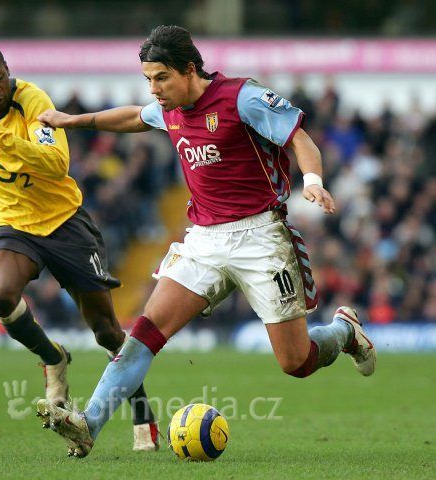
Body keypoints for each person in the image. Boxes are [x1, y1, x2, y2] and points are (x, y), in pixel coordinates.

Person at [35, 26, 377, 458]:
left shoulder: (242, 98)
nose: (154, 89)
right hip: (204, 240)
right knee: (144, 333)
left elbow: (300, 139)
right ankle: (89, 424)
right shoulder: (168, 107)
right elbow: (133, 117)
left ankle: (344, 332)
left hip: (262, 237)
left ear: (189, 69)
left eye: (161, 78)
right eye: (148, 80)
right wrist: (72, 121)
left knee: (297, 362)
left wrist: (312, 181)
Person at [0, 42, 159, 452]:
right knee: (0, 294)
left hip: (65, 224)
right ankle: (53, 357)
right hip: (13, 223)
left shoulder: (34, 103)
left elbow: (55, 163)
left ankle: (142, 412)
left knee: (106, 331)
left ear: (8, 69)